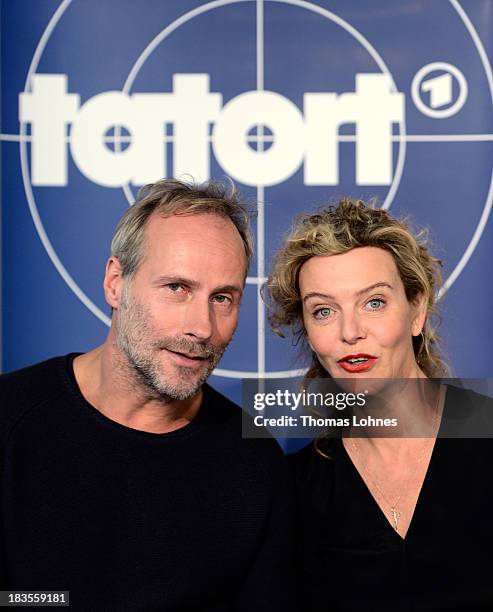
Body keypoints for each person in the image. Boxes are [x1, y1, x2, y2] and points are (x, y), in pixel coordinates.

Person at [0, 179, 294, 611]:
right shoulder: (10, 419)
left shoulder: (255, 466)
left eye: (223, 298)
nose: (202, 327)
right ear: (116, 282)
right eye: (177, 288)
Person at [265, 198, 493, 611]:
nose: (350, 331)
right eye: (323, 311)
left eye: (374, 302)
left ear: (417, 310)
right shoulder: (297, 490)